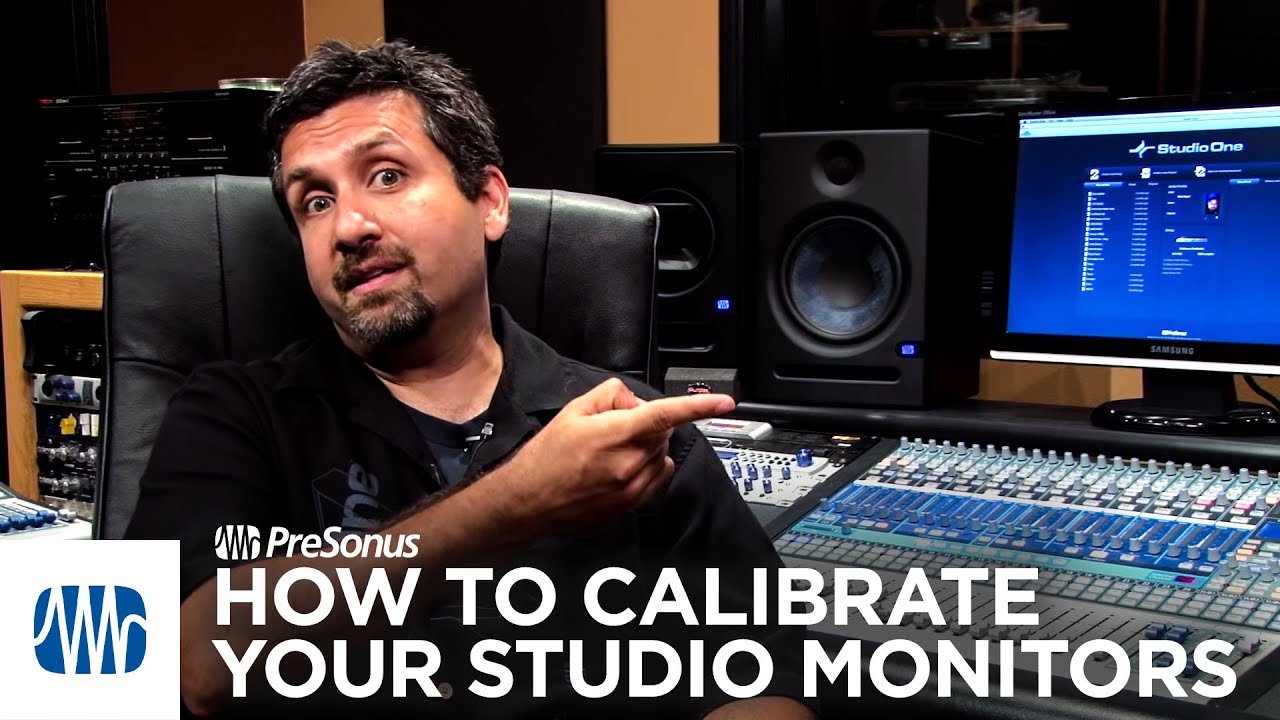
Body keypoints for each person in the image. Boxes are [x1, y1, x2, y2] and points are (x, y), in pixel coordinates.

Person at [124, 39, 816, 719]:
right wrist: (518, 501)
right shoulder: (230, 412)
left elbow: (763, 674)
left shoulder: (633, 433)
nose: (349, 227)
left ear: (489, 200)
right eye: (315, 201)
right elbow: (192, 667)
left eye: (387, 176)